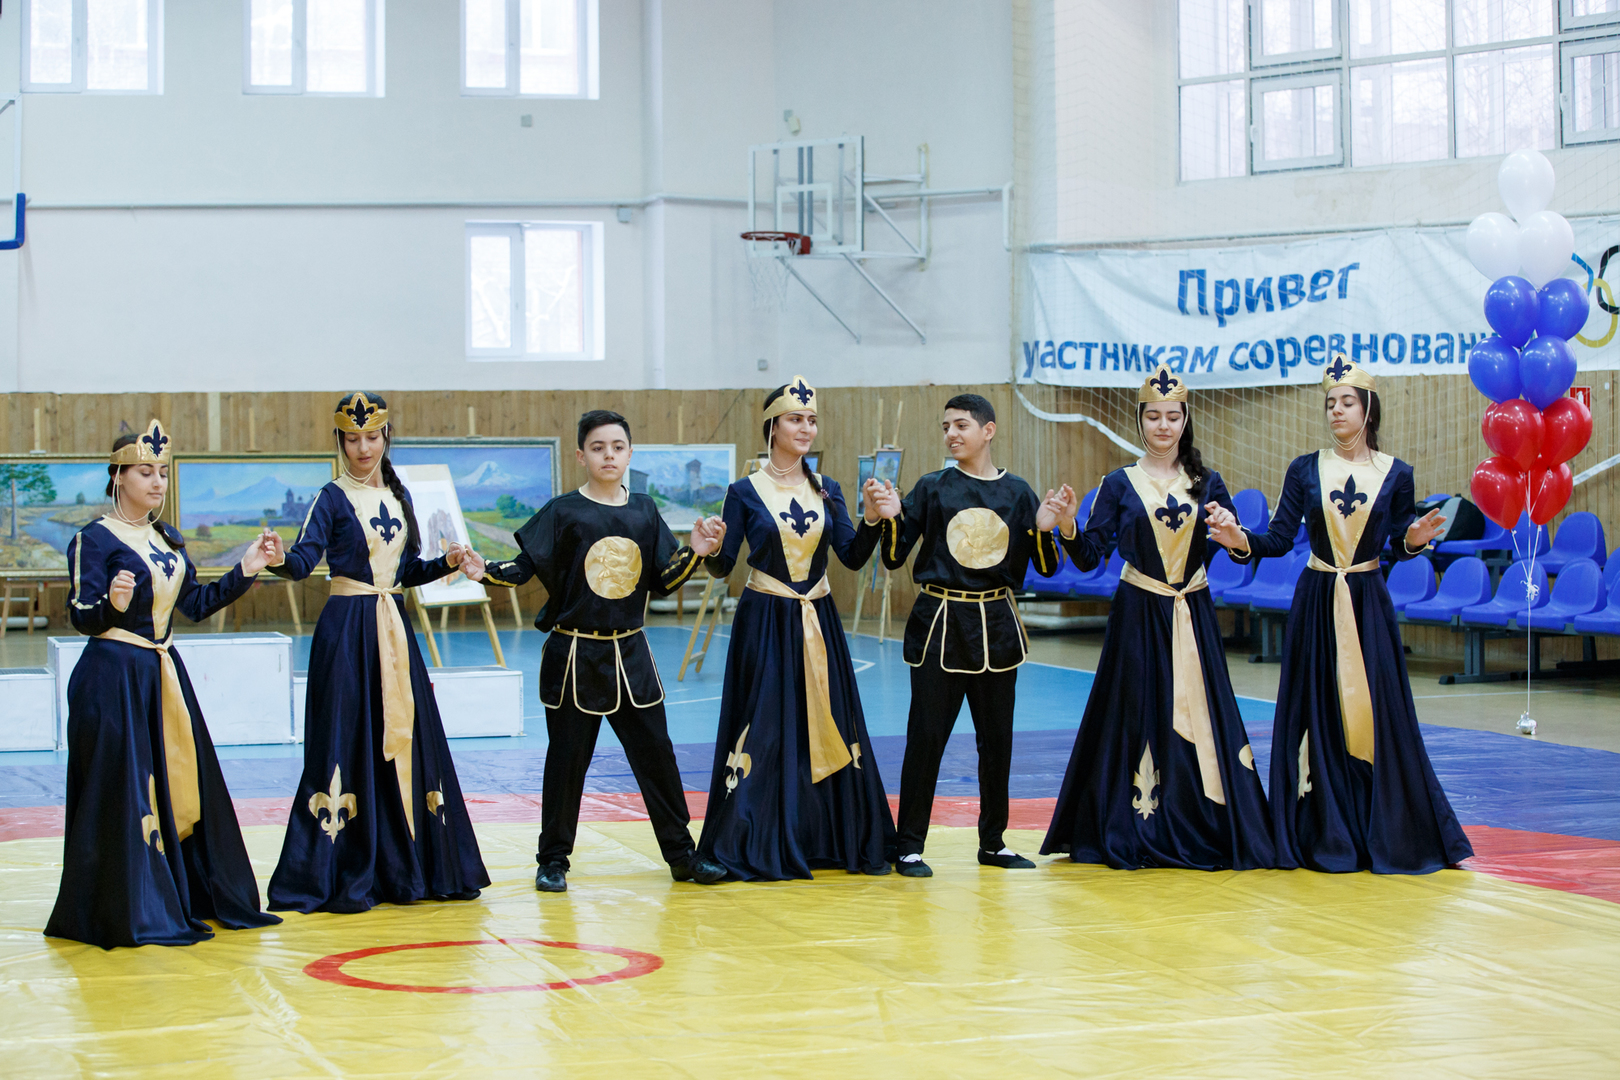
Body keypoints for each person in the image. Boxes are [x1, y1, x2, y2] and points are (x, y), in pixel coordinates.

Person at [1206, 356, 1470, 874]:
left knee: (1376, 712)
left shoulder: (1396, 474)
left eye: (1347, 402)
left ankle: (1384, 824)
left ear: (1368, 409)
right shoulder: (1305, 469)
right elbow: (1279, 539)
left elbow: (1397, 543)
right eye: (1330, 403)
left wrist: (1414, 541)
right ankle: (1321, 826)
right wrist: (1241, 540)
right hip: (1317, 599)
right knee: (1318, 709)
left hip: (1368, 602)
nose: (1336, 411)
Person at [468, 410, 729, 892]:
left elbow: (664, 582)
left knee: (657, 757)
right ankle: (553, 861)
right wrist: (482, 568)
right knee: (567, 762)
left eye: (617, 447)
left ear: (629, 453)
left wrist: (694, 550)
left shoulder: (645, 511)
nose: (609, 455)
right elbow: (523, 568)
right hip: (574, 657)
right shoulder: (563, 511)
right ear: (581, 455)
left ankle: (682, 855)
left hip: (631, 656)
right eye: (598, 447)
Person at [45, 421, 283, 948]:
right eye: (144, 472)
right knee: (123, 793)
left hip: (162, 676)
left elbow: (194, 604)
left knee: (180, 783)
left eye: (163, 473)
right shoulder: (92, 539)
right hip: (112, 680)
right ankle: (126, 907)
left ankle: (181, 894)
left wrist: (247, 567)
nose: (157, 482)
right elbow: (81, 615)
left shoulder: (166, 538)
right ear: (118, 476)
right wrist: (113, 605)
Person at [1039, 368, 1274, 870]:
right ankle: (1137, 823)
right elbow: (1090, 557)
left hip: (1194, 615)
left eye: (1172, 416)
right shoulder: (1118, 484)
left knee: (1203, 714)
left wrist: (1234, 535)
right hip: (1138, 616)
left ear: (1185, 421)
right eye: (1153, 416)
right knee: (1137, 713)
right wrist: (1068, 526)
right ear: (1140, 420)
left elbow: (1237, 549)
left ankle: (1200, 818)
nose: (1163, 426)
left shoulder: (1208, 482)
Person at [266, 392, 491, 912]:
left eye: (372, 437)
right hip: (347, 633)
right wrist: (277, 559)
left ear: (386, 436)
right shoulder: (330, 497)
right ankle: (344, 865)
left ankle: (409, 863)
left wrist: (446, 563)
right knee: (346, 741)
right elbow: (302, 563)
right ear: (339, 441)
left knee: (408, 738)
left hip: (394, 632)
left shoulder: (398, 494)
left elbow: (406, 571)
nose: (363, 448)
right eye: (352, 438)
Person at [697, 377, 895, 880]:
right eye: (795, 419)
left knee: (828, 723)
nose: (805, 428)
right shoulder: (743, 492)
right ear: (772, 427)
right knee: (764, 728)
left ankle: (824, 835)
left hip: (818, 621)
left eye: (811, 420)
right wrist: (711, 549)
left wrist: (872, 520)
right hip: (765, 621)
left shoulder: (828, 489)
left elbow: (851, 556)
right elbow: (724, 566)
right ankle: (753, 837)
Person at [861, 394, 1064, 877]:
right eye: (946, 427)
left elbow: (1046, 567)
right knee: (926, 739)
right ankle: (908, 845)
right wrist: (891, 517)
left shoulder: (1018, 492)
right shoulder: (932, 487)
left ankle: (993, 842)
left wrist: (1045, 529)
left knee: (997, 743)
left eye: (961, 425)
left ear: (988, 431)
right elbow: (894, 556)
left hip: (997, 628)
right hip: (940, 626)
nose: (951, 434)